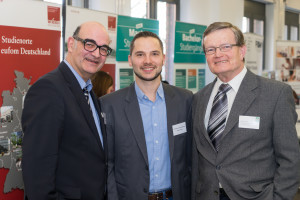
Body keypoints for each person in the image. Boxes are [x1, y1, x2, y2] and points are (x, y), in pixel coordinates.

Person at [191, 22, 300, 200]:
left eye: (225, 47)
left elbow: (290, 159)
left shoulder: (276, 94)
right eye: (210, 50)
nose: (218, 54)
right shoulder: (199, 98)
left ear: (242, 51)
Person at [21, 21, 112, 200]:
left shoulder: (88, 92)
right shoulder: (48, 89)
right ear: (71, 44)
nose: (96, 54)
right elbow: (37, 173)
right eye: (90, 44)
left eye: (103, 49)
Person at [100, 31, 193, 200]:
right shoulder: (109, 104)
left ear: (163, 58)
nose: (148, 61)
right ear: (130, 60)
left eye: (154, 54)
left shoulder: (185, 100)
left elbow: (191, 158)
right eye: (140, 54)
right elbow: (108, 164)